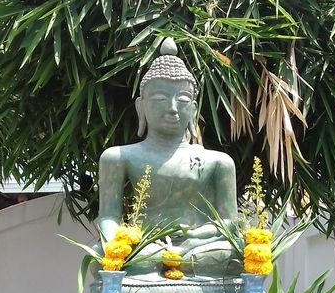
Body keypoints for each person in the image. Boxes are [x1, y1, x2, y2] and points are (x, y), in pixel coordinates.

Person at [98, 38, 239, 278]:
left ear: (193, 109)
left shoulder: (218, 162)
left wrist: (195, 236)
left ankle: (175, 263)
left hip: (198, 248)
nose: (173, 108)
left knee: (232, 254)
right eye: (160, 99)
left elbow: (229, 222)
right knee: (104, 257)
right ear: (141, 107)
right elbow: (109, 217)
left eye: (182, 99)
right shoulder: (118, 157)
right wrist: (116, 246)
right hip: (143, 249)